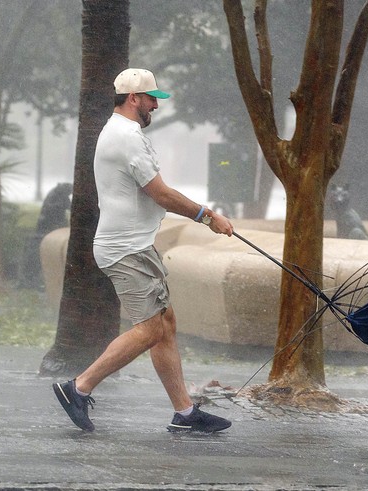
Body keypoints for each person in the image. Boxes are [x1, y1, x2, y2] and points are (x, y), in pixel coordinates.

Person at [53, 68, 234, 433]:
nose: (156, 105)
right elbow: (160, 193)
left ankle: (184, 413)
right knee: (151, 328)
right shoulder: (126, 137)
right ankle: (78, 387)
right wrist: (208, 216)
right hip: (125, 250)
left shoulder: (122, 132)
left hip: (135, 245)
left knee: (165, 325)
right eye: (152, 98)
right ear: (133, 98)